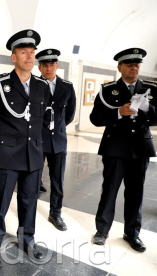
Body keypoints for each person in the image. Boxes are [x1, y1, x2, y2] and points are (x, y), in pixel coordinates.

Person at [0, 30, 51, 268]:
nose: (30, 56)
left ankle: (27, 239)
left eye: (32, 52)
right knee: (0, 201)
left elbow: (40, 121)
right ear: (13, 57)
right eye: (24, 52)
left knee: (29, 200)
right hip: (8, 155)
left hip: (33, 155)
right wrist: (3, 143)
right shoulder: (0, 84)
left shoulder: (42, 86)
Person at [90, 48, 157, 252]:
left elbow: (156, 119)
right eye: (129, 64)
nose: (134, 67)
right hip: (115, 148)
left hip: (140, 148)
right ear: (120, 67)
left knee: (136, 192)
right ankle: (102, 230)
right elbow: (96, 119)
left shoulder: (150, 88)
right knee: (110, 190)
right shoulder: (108, 90)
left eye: (137, 64)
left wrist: (147, 109)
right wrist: (118, 112)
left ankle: (132, 233)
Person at [35, 49, 76, 231]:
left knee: (57, 179)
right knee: (32, 177)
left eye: (52, 64)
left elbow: (69, 114)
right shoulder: (33, 85)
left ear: (57, 66)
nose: (49, 68)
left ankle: (56, 213)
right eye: (45, 65)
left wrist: (57, 127)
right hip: (37, 139)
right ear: (40, 67)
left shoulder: (67, 86)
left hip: (58, 140)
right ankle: (28, 211)